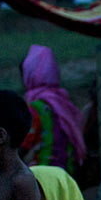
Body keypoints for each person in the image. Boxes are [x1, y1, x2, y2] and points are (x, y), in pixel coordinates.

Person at [18, 44, 87, 173]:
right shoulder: (64, 103)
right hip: (68, 173)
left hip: (41, 175)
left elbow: (23, 146)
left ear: (28, 75)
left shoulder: (34, 108)